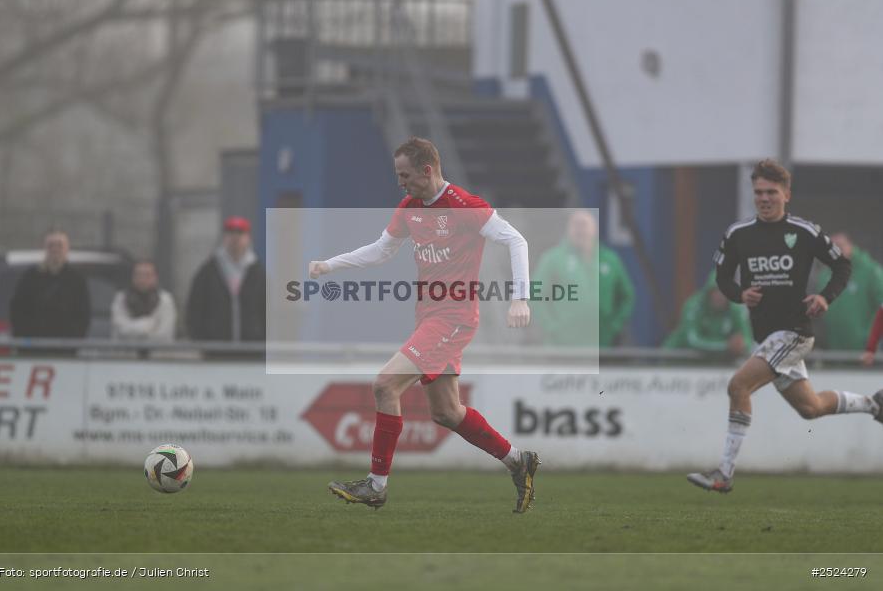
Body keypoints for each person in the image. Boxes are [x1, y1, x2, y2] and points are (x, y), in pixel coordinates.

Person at [310, 137, 539, 513]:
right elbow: (381, 250)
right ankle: (518, 461)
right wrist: (330, 265)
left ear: (427, 170)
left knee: (385, 385)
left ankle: (376, 485)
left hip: (454, 318)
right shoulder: (410, 209)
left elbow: (517, 241)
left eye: (405, 175)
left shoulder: (465, 206)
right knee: (447, 412)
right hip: (429, 318)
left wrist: (520, 298)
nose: (400, 182)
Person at [687, 159, 881, 494]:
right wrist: (739, 293)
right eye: (759, 192)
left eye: (771, 192)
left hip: (794, 333)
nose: (764, 198)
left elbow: (842, 265)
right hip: (766, 337)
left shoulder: (804, 232)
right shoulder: (738, 234)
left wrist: (825, 298)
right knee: (810, 408)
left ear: (786, 195)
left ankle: (724, 473)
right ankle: (874, 404)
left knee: (738, 386)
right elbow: (722, 277)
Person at [532, 210, 634, 346]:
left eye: (584, 224)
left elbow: (626, 296)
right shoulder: (553, 259)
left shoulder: (610, 260)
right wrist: (552, 327)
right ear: (568, 229)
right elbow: (535, 294)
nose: (580, 229)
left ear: (594, 229)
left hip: (602, 344)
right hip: (562, 346)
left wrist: (614, 325)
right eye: (575, 224)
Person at [186, 216, 266, 343]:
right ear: (224, 237)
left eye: (240, 233)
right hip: (215, 348)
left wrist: (262, 340)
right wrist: (201, 340)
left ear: (248, 238)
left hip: (252, 348)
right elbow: (195, 308)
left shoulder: (258, 273)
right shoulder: (208, 271)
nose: (235, 238)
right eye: (231, 233)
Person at [9, 230, 90, 339]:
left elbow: (83, 315)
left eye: (59, 245)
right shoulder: (30, 278)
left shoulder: (77, 280)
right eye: (51, 245)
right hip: (34, 345)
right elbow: (17, 310)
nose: (55, 249)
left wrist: (73, 340)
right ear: (45, 248)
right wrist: (25, 339)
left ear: (67, 249)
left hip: (66, 346)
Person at [816, 233, 883, 350]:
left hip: (865, 351)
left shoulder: (871, 271)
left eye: (840, 246)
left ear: (851, 245)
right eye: (831, 247)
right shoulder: (824, 275)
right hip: (832, 352)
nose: (836, 251)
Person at [662, 272, 752, 356]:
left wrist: (741, 344)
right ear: (709, 291)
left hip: (716, 362)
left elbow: (747, 339)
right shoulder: (694, 305)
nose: (719, 296)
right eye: (716, 291)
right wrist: (726, 346)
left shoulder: (736, 308)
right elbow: (692, 340)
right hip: (679, 358)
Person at [111, 260, 176, 341]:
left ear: (155, 278)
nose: (142, 279)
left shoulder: (165, 300)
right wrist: (147, 325)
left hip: (157, 349)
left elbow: (164, 335)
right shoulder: (121, 298)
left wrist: (132, 328)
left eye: (147, 275)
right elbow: (121, 330)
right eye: (138, 275)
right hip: (125, 349)